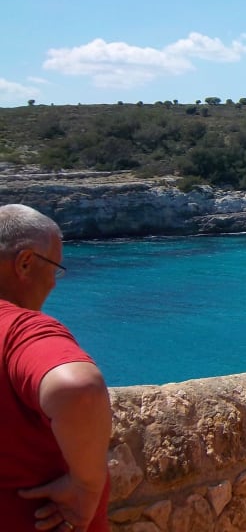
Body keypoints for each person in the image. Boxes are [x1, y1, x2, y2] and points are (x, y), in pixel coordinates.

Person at [0, 204, 111, 532]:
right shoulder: (19, 329)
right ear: (25, 263)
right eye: (54, 268)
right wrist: (87, 485)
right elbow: (79, 389)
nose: (54, 282)